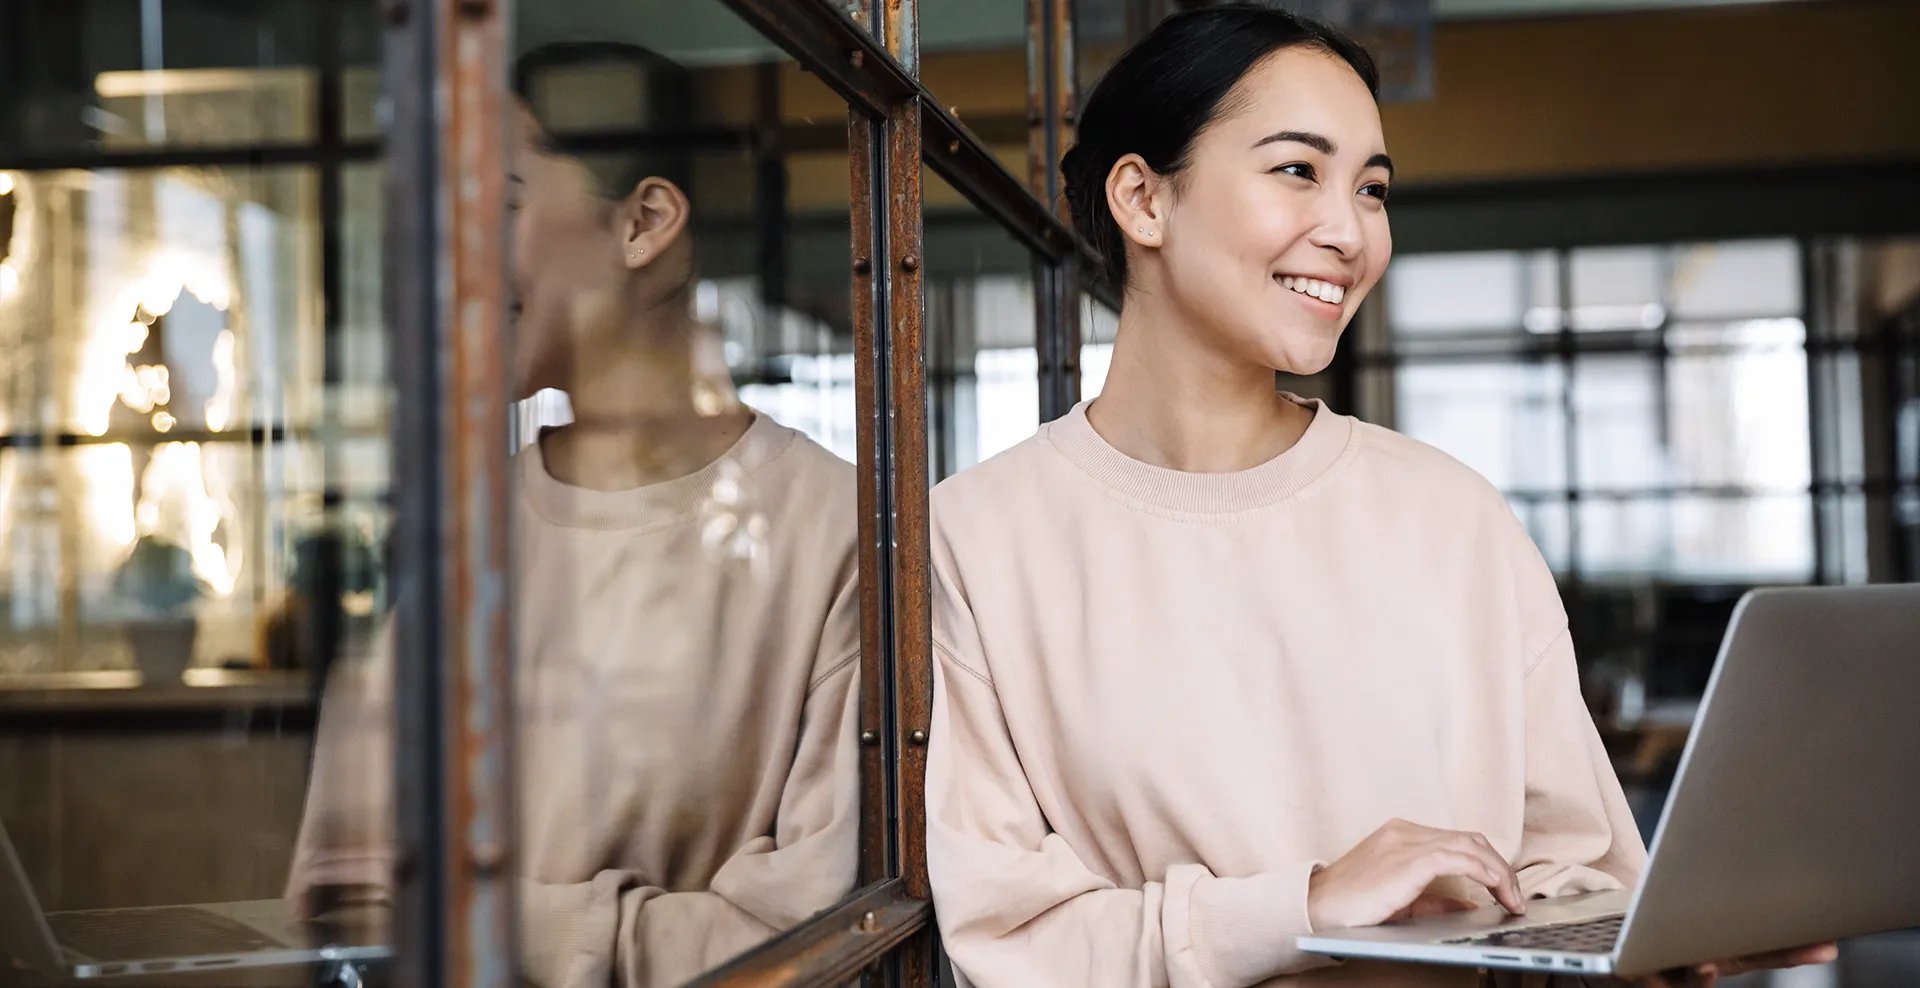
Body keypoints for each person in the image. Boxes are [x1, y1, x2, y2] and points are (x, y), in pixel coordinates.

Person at [922, 8, 1834, 987]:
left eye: (1373, 188)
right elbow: (1008, 941)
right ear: (1144, 200)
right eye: (1297, 170)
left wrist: (1645, 940)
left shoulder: (1453, 518)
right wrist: (1303, 905)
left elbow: (1573, 874)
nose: (1351, 232)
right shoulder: (978, 539)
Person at [286, 62, 862, 987]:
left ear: (643, 224)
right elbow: (343, 895)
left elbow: (819, 938)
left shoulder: (836, 526)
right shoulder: (466, 528)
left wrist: (489, 923)